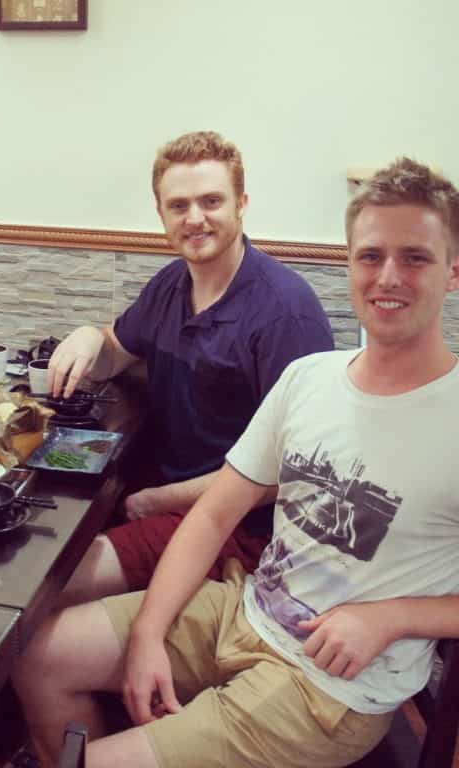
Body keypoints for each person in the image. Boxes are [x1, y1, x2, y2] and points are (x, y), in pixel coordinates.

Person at [13, 157, 459, 768]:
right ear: (349, 263)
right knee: (35, 653)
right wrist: (146, 634)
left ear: (453, 271)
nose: (388, 277)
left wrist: (392, 617)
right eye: (370, 256)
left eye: (415, 257)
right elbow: (213, 513)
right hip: (245, 607)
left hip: (331, 688)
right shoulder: (311, 379)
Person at [49, 131, 334, 607]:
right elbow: (117, 349)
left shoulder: (285, 312)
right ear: (161, 213)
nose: (195, 218)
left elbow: (291, 472)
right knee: (45, 538)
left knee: (55, 583)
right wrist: (88, 336)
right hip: (168, 492)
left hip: (241, 527)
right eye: (178, 206)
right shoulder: (170, 284)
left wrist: (159, 500)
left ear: (241, 204)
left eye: (211, 201)